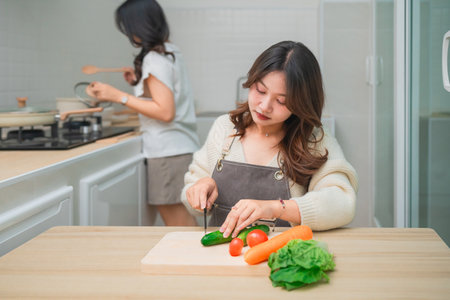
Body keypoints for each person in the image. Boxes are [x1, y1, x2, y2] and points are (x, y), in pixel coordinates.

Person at [181, 41, 358, 238]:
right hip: (223, 258)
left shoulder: (315, 140)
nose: (265, 106)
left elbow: (342, 203)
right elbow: (190, 194)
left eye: (282, 101)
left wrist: (276, 208)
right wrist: (199, 191)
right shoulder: (224, 128)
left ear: (301, 103)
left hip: (284, 259)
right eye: (260, 90)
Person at [87, 0, 199, 226]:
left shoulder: (154, 59)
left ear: (138, 26)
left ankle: (194, 262)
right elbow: (162, 98)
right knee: (182, 220)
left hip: (167, 153)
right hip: (179, 148)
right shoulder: (169, 51)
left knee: (178, 223)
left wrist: (117, 95)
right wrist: (139, 83)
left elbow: (165, 111)